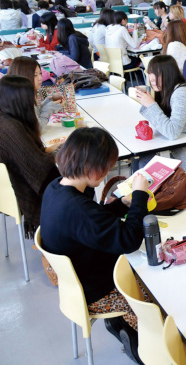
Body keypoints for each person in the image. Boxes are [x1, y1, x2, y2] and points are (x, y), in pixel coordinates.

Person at [40, 127, 149, 363]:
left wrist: (123, 203)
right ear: (94, 168)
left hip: (74, 278)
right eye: (107, 166)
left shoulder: (57, 187)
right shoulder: (78, 209)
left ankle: (121, 324)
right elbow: (129, 240)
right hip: (94, 288)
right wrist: (140, 197)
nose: (109, 170)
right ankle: (145, 344)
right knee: (157, 290)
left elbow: (94, 219)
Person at [0, 75, 60, 238]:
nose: (35, 100)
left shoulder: (5, 120)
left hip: (5, 193)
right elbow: (39, 167)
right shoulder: (12, 129)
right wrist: (60, 152)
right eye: (33, 96)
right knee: (75, 177)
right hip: (19, 192)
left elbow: (29, 155)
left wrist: (53, 149)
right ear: (21, 101)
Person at [135, 55, 186, 171]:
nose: (151, 78)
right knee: (142, 158)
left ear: (168, 74)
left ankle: (146, 189)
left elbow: (172, 133)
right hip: (183, 144)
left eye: (157, 74)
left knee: (145, 162)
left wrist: (151, 105)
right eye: (150, 72)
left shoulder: (182, 94)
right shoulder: (168, 91)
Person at [7, 56, 63, 129]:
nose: (40, 78)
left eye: (40, 73)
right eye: (35, 75)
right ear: (22, 76)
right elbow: (37, 129)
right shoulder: (22, 99)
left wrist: (47, 102)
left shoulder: (19, 92)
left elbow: (34, 115)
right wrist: (48, 108)